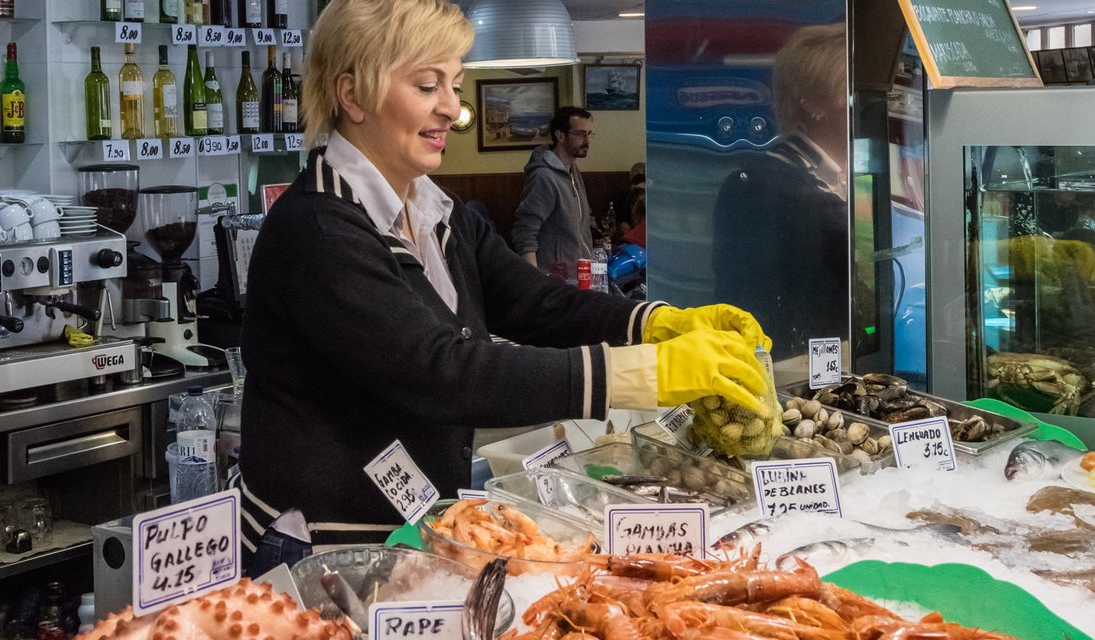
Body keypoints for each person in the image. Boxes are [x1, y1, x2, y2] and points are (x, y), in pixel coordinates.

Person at [236, 0, 773, 552]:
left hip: (407, 531)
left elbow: (537, 303)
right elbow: (440, 372)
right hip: (320, 543)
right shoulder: (319, 227)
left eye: (454, 84)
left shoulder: (435, 212)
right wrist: (640, 374)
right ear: (352, 96)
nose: (451, 108)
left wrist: (656, 323)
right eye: (427, 85)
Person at [710, 23, 849, 358]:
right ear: (813, 102)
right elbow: (750, 304)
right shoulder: (762, 184)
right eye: (850, 90)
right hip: (792, 371)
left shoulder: (858, 176)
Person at [513, 106, 595, 279]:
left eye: (589, 134)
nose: (587, 140)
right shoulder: (544, 177)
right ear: (560, 135)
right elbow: (524, 233)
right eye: (580, 134)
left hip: (580, 275)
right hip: (556, 281)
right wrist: (536, 282)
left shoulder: (573, 169)